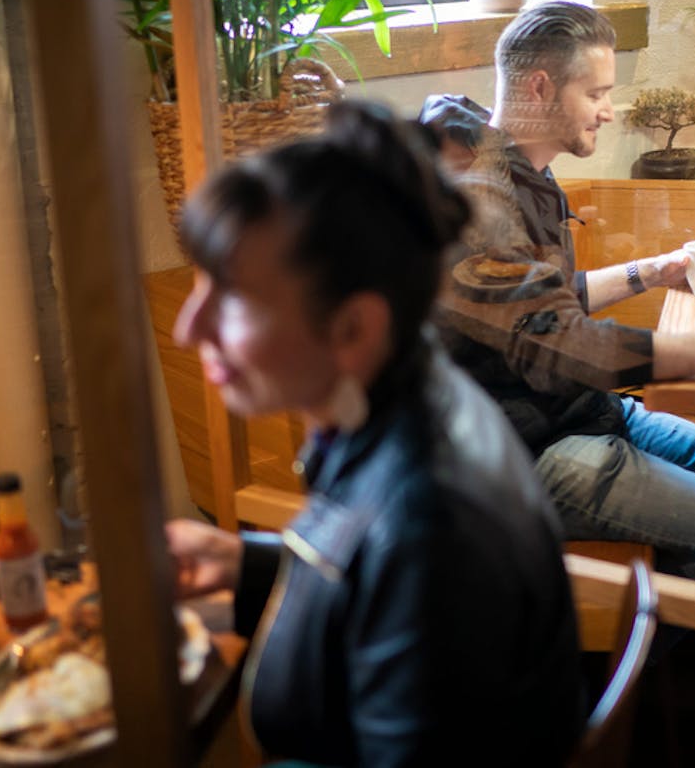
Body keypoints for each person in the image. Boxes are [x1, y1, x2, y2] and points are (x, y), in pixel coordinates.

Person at [164, 103, 585, 766]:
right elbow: (373, 579)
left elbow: (411, 575)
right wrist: (242, 563)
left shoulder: (434, 527)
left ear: (354, 327)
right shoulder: (402, 392)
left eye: (234, 297)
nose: (188, 328)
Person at [431, 0, 695, 591]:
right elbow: (561, 343)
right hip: (532, 453)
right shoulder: (478, 200)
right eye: (596, 93)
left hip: (585, 410)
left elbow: (539, 307)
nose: (608, 111)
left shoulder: (521, 170)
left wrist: (648, 272)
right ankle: (648, 654)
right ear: (541, 86)